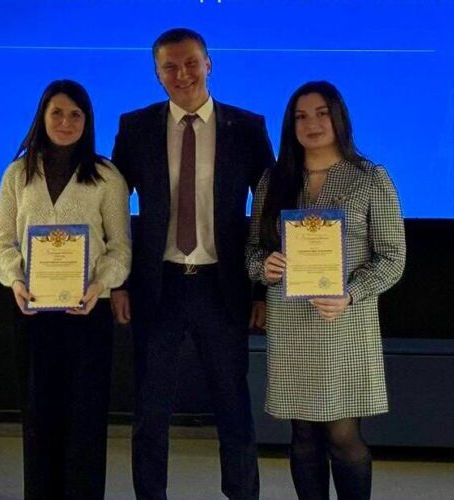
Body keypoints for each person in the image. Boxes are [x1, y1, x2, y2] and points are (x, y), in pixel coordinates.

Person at [111, 28, 275, 500]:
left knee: (232, 404)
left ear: (209, 65)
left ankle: (242, 494)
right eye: (169, 67)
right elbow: (112, 209)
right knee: (150, 409)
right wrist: (118, 283)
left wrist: (262, 290)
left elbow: (267, 210)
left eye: (190, 63)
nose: (181, 74)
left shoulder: (247, 128)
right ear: (157, 74)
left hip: (221, 286)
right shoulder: (135, 127)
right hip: (157, 285)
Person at [245, 81, 406, 500]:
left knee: (342, 436)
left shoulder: (370, 178)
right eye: (301, 116)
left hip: (343, 325)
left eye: (321, 113)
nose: (311, 124)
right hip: (290, 326)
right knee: (302, 435)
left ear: (339, 118)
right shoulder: (273, 180)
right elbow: (252, 253)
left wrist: (351, 294)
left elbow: (393, 258)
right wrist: (265, 267)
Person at [0, 79, 131, 500]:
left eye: (75, 114)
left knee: (85, 421)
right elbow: (3, 243)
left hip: (88, 314)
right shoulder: (17, 175)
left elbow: (120, 247)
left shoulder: (106, 175)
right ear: (42, 116)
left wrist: (100, 284)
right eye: (57, 113)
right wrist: (15, 279)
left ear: (87, 121)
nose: (65, 122)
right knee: (39, 419)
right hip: (33, 314)